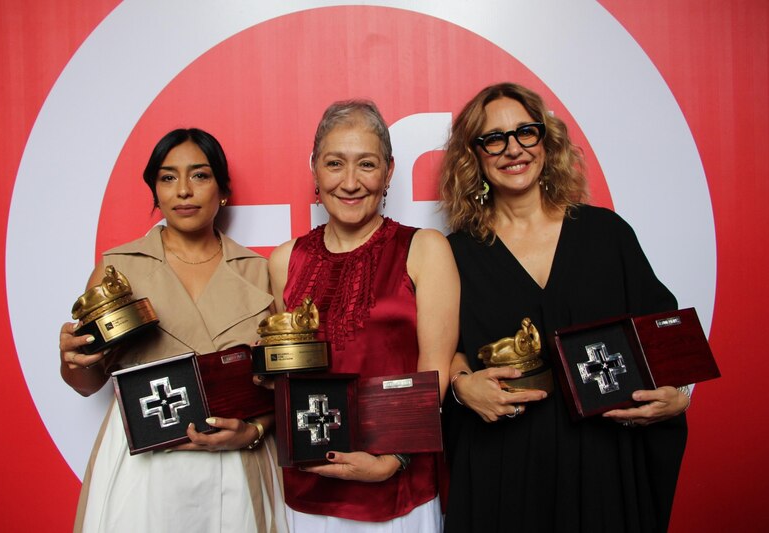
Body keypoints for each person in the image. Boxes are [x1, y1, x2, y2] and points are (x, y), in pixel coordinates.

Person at [439, 83, 689, 533]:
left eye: (526, 132)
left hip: (602, 461)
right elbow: (443, 348)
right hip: (504, 467)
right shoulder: (453, 253)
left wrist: (678, 396)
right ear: (472, 155)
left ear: (546, 141)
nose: (513, 148)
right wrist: (462, 388)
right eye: (494, 138)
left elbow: (664, 336)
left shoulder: (606, 234)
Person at [59, 128, 286, 533]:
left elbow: (279, 384)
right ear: (155, 192)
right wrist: (73, 360)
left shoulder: (257, 270)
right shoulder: (118, 268)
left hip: (233, 465)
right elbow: (86, 383)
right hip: (142, 468)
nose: (183, 190)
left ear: (223, 190)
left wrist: (253, 432)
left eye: (199, 175)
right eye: (168, 177)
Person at [268, 100, 459, 531]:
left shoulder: (425, 249)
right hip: (308, 486)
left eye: (367, 165)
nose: (350, 182)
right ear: (313, 168)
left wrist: (395, 458)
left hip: (398, 486)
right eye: (335, 163)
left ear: (389, 172)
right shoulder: (284, 260)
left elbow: (435, 372)